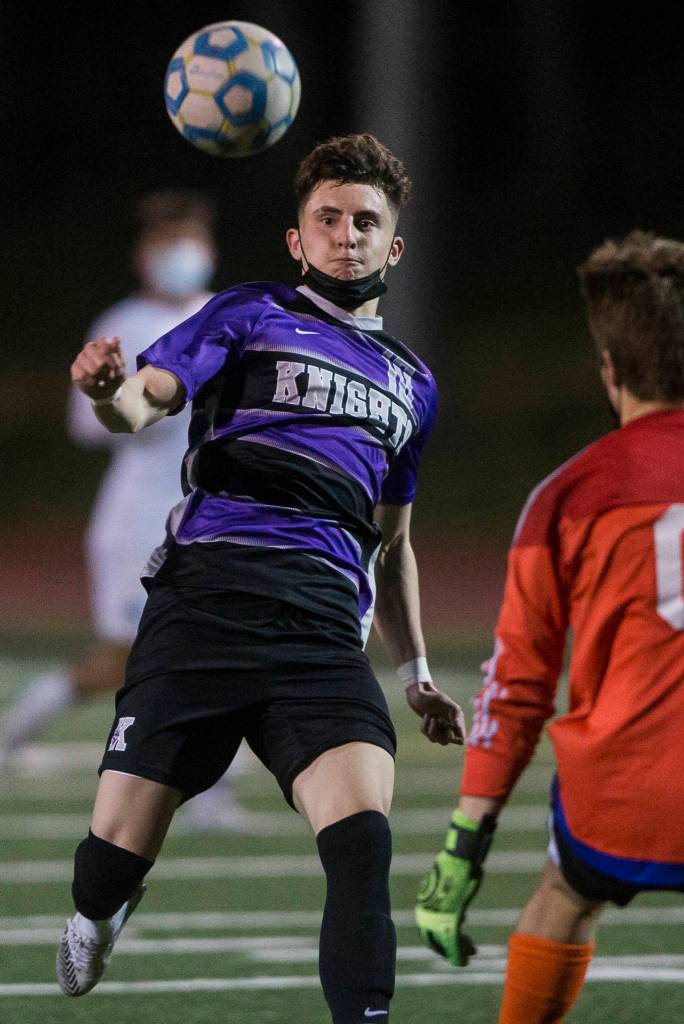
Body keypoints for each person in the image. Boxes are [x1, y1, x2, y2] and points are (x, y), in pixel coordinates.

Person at [55, 133, 466, 1022]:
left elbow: (392, 544)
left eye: (366, 222)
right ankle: (103, 907)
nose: (346, 236)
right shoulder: (247, 312)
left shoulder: (412, 383)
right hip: (204, 606)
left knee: (361, 848)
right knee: (106, 865)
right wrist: (107, 390)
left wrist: (417, 675)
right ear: (296, 238)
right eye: (329, 218)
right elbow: (143, 403)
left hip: (320, 635)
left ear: (394, 246)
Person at [415, 230, 684, 1022]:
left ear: (609, 368)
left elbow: (517, 686)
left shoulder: (567, 496)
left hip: (618, 807)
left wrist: (466, 841)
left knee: (564, 893)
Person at [0, 189, 252, 831]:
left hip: (210, 513)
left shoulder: (229, 317)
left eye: (191, 241)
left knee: (224, 645)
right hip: (139, 517)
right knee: (127, 660)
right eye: (169, 243)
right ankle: (17, 726)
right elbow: (87, 427)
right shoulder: (122, 323)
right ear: (144, 255)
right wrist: (131, 401)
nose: (182, 254)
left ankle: (212, 795)